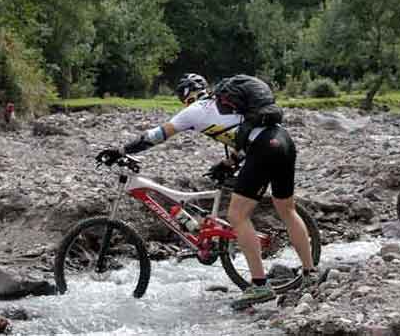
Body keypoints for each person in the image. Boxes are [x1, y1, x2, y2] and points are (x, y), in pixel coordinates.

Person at [95, 73, 318, 309]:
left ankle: (260, 285)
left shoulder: (197, 109)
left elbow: (157, 135)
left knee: (237, 216)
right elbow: (249, 135)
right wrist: (230, 163)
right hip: (283, 142)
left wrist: (121, 150)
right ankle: (310, 273)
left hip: (263, 150)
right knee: (287, 209)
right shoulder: (233, 105)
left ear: (185, 96)